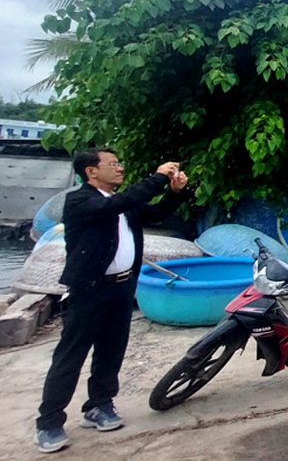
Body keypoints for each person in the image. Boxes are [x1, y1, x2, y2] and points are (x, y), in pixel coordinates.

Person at [34, 148, 189, 454]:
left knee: (111, 351)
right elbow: (119, 203)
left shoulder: (122, 204)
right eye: (113, 164)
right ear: (91, 171)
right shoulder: (80, 201)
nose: (120, 168)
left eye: (120, 163)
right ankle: (49, 422)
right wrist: (157, 177)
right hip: (89, 290)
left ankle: (99, 405)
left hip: (121, 288)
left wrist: (174, 193)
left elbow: (155, 213)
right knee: (70, 356)